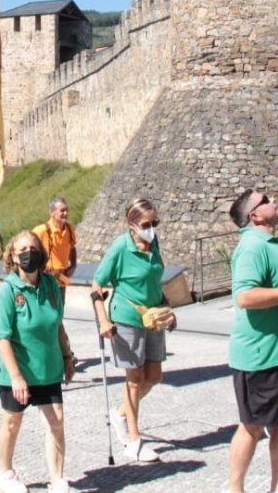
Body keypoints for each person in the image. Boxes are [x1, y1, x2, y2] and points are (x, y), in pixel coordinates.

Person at [225, 189, 278, 493]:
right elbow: (245, 296)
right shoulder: (252, 247)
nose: (273, 200)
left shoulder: (273, 244)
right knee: (252, 426)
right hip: (260, 352)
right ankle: (235, 489)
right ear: (255, 215)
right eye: (265, 199)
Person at [90, 198, 174, 464]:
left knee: (155, 375)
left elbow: (154, 278)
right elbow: (96, 285)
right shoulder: (120, 248)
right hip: (126, 317)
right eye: (146, 224)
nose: (151, 228)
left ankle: (122, 413)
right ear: (132, 225)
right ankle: (133, 441)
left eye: (154, 223)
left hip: (152, 316)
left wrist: (167, 308)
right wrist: (103, 320)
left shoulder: (154, 243)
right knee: (135, 379)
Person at [0, 230, 75, 493]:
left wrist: (67, 356)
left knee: (56, 419)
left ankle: (57, 478)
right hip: (18, 369)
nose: (29, 253)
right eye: (23, 250)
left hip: (48, 367)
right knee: (13, 421)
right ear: (13, 257)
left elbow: (58, 325)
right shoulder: (6, 291)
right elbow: (2, 338)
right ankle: (4, 472)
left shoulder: (51, 285)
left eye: (34, 248)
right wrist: (16, 377)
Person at [33, 197, 78, 303]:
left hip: (61, 280)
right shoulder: (41, 230)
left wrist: (73, 264)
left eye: (67, 210)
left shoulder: (69, 229)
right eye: (62, 210)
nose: (66, 213)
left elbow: (72, 247)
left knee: (59, 313)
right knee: (46, 314)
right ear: (52, 212)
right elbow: (29, 250)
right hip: (45, 281)